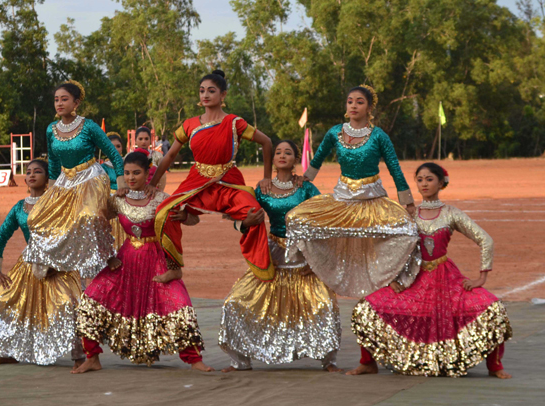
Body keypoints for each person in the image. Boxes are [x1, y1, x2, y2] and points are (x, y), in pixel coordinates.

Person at [349, 163, 512, 378]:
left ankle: (495, 367)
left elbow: (485, 240)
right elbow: (390, 247)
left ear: (441, 182)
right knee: (365, 308)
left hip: (446, 279)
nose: (424, 184)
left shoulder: (451, 213)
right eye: (420, 179)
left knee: (493, 308)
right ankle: (368, 363)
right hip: (413, 278)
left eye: (429, 179)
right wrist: (392, 278)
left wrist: (481, 277)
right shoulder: (409, 214)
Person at [72, 150, 213, 374]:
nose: (131, 178)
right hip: (125, 259)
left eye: (136, 173)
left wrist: (183, 216)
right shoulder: (117, 200)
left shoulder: (162, 199)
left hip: (158, 261)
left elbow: (194, 219)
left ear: (148, 174)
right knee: (90, 301)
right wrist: (108, 255)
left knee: (180, 304)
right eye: (127, 173)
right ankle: (92, 357)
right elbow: (96, 222)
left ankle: (194, 359)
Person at [285, 85, 420, 297]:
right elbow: (317, 159)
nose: (354, 105)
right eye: (350, 101)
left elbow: (394, 167)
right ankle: (312, 266)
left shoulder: (378, 136)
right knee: (296, 219)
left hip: (372, 199)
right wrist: (303, 181)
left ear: (369, 108)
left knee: (407, 231)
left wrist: (407, 201)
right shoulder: (334, 132)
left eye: (359, 102)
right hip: (342, 198)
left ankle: (390, 277)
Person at [219, 140, 342, 373]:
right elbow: (235, 214)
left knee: (325, 305)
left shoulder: (305, 188)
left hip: (302, 256)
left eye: (288, 152)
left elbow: (323, 219)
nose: (282, 155)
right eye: (277, 152)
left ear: (296, 159)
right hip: (272, 258)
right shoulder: (263, 189)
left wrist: (316, 260)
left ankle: (328, 361)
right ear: (272, 159)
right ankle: (240, 362)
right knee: (234, 303)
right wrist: (244, 223)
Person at [143, 70, 276, 282]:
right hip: (197, 181)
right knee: (163, 213)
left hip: (228, 181)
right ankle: (174, 266)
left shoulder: (234, 122)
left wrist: (267, 177)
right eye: (202, 91)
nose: (205, 95)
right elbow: (169, 156)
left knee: (256, 213)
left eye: (211, 91)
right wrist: (152, 183)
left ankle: (261, 271)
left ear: (223, 95)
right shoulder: (190, 124)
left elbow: (267, 142)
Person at [0, 159, 84, 367]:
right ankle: (9, 352)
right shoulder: (20, 207)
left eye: (38, 171)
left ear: (47, 178)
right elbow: (1, 236)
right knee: (2, 301)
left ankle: (79, 357)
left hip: (58, 265)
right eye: (28, 172)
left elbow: (71, 233)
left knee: (68, 305)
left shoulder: (56, 202)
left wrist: (59, 262)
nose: (32, 175)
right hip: (28, 264)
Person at [23, 81, 125, 279]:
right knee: (37, 218)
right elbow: (52, 162)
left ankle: (108, 256)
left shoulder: (89, 126)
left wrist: (121, 182)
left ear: (76, 103)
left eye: (64, 99)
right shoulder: (51, 129)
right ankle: (55, 260)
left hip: (91, 178)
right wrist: (50, 192)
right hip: (64, 181)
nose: (59, 103)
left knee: (90, 217)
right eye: (56, 100)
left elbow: (113, 153)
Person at [135, 126, 166, 191]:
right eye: (140, 139)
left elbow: (162, 177)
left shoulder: (158, 156)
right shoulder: (129, 156)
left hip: (153, 192)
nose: (143, 142)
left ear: (150, 140)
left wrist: (159, 192)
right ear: (135, 140)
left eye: (146, 139)